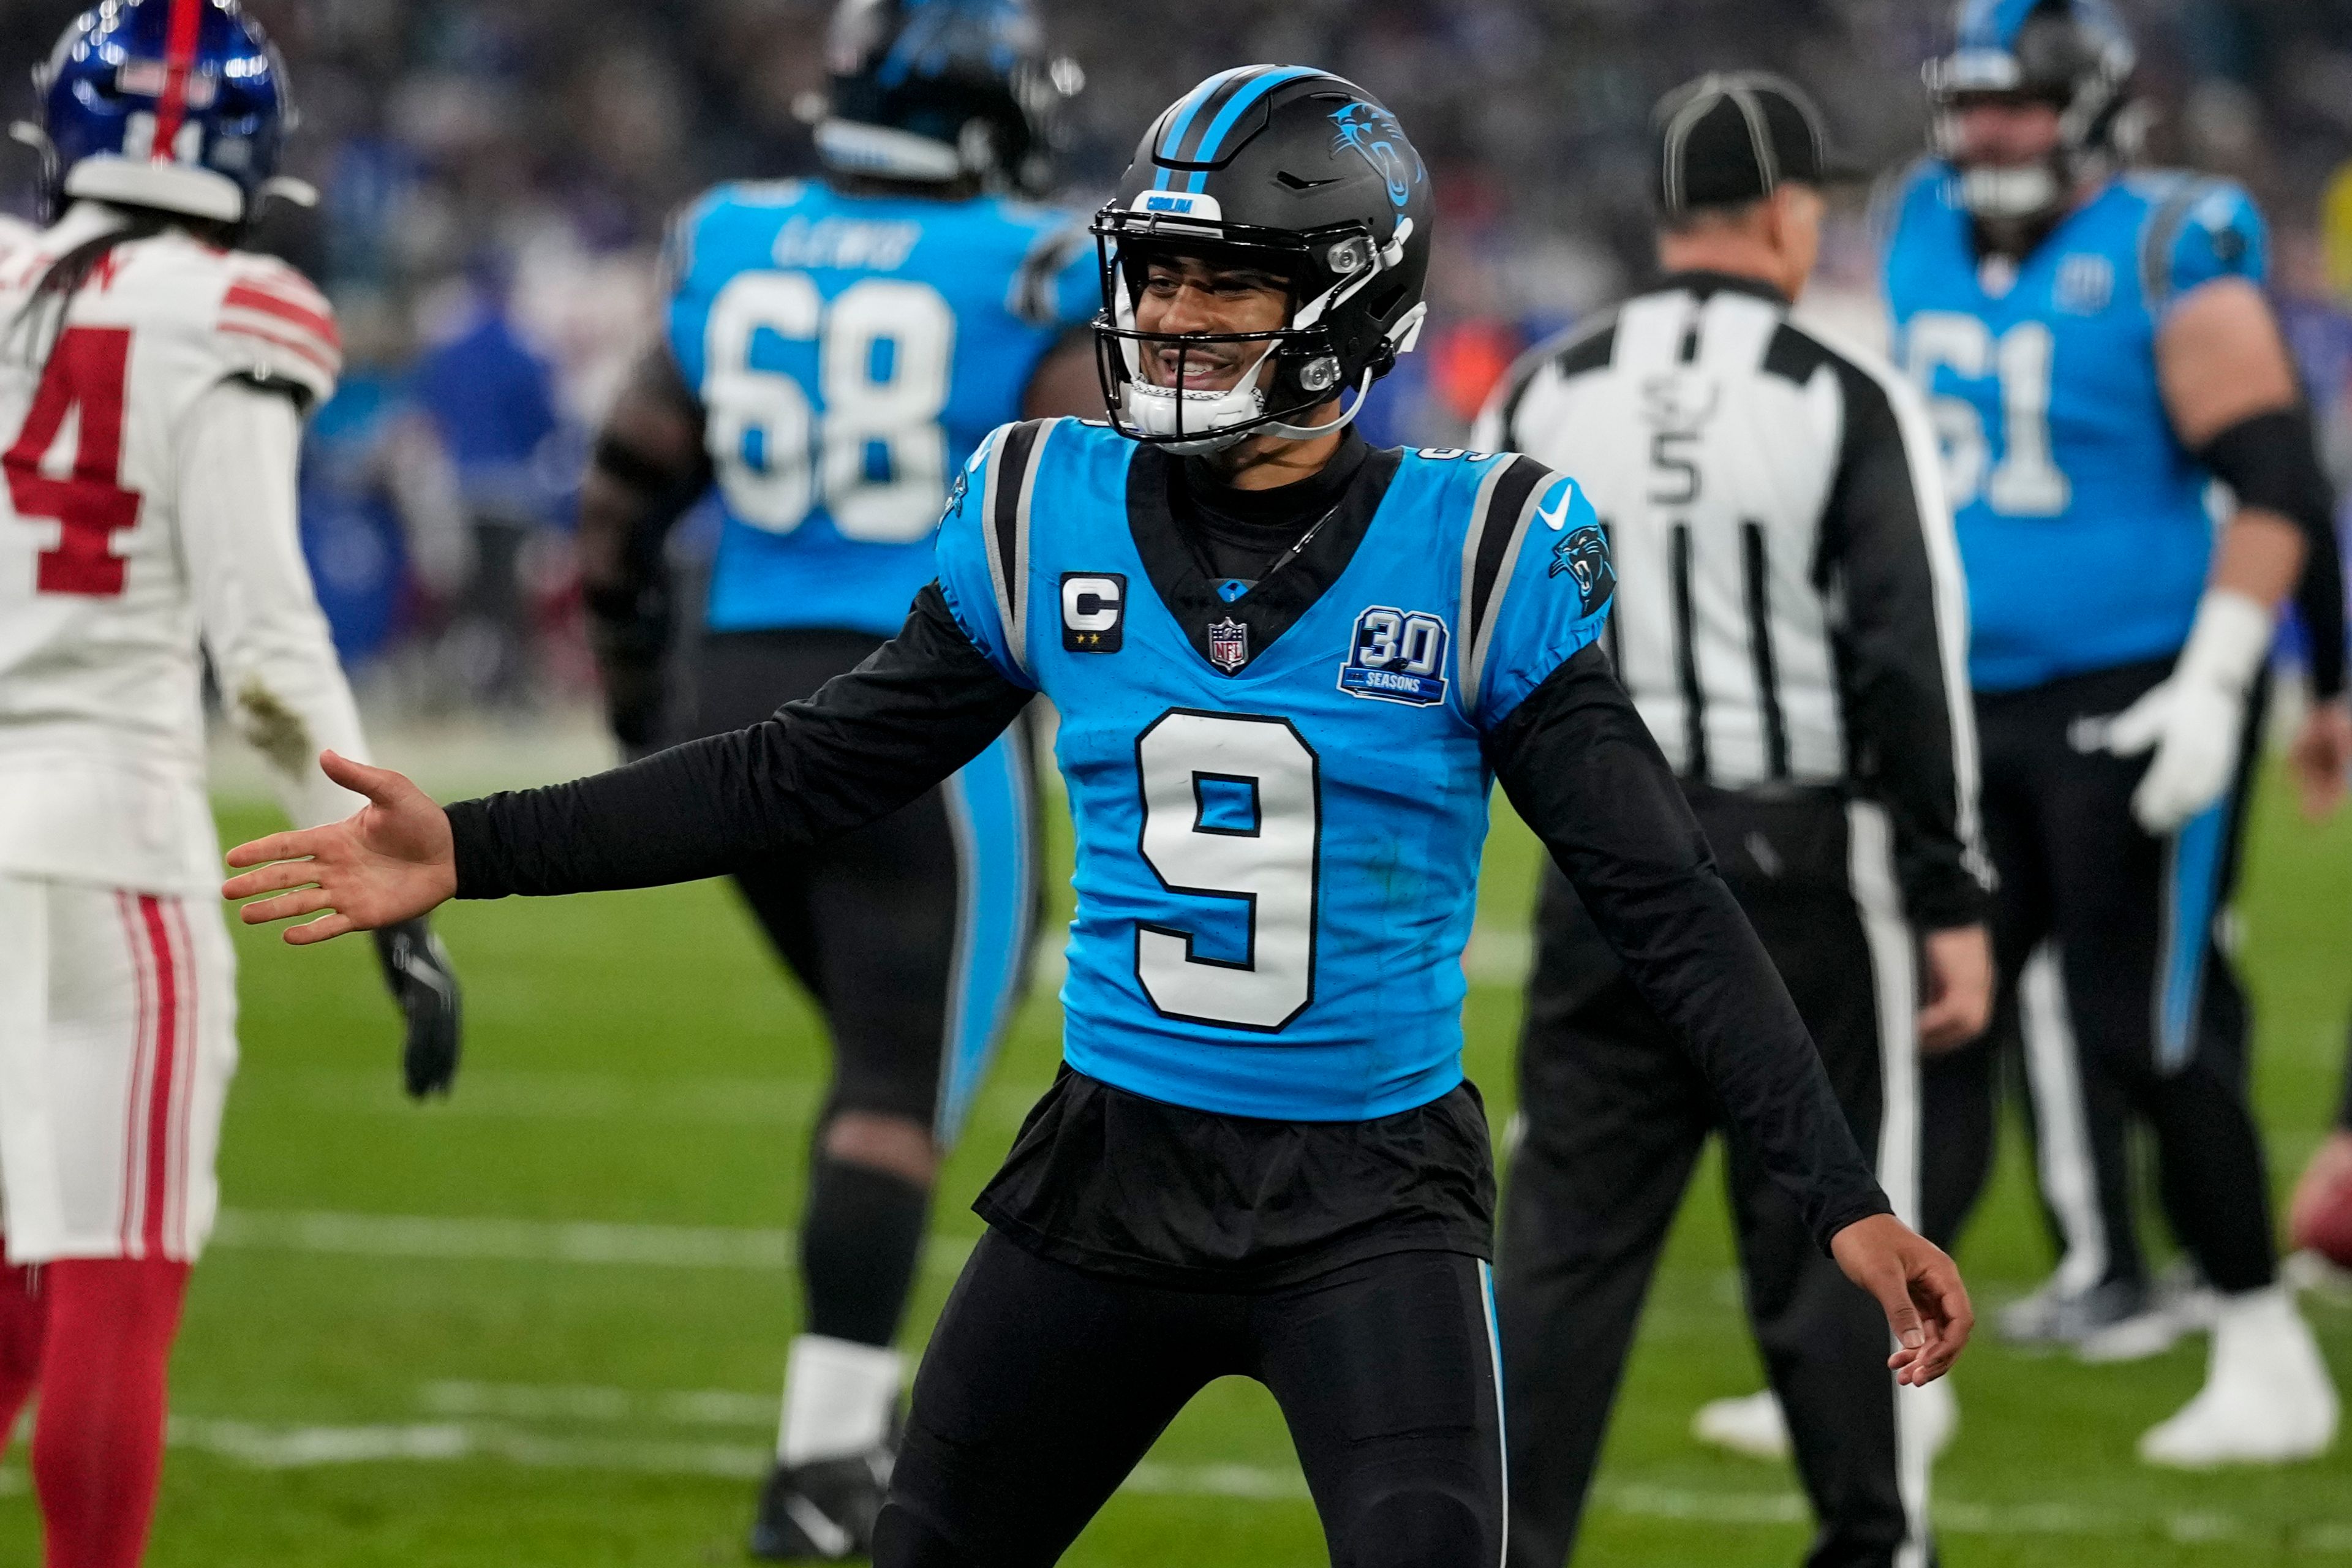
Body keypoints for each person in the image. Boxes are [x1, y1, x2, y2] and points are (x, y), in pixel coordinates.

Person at [225, 68, 1970, 1567]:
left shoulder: (1481, 547)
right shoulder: (1042, 503)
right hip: (1104, 1187)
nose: (1177, 316)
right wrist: (480, 845)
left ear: (1352, 304)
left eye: (1230, 281)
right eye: (1163, 274)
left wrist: (1840, 1191)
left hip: (1371, 1210)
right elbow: (802, 766)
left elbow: (1662, 895)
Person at [572, 0, 1098, 1553]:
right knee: (897, 1086)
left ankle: (834, 1439)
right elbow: (1084, 500)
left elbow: (621, 501)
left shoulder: (731, 233)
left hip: (733, 696)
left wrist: (635, 711)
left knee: (875, 1063)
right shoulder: (1032, 261)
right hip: (918, 705)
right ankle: (819, 1467)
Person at [1475, 73, 1989, 1568]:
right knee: (1824, 1231)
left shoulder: (1542, 384)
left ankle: (1508, 1537)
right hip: (1791, 861)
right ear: (1784, 213)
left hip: (1598, 860)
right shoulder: (1841, 387)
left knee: (1566, 1242)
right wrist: (1951, 891)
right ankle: (1869, 1538)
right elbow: (1908, 653)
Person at [0, 3, 461, 1565]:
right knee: (114, 1279)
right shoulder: (231, 308)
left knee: (3, 1272)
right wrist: (379, 850)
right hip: (107, 839)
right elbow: (263, 646)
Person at [1887, 0, 2345, 1464]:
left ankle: (2264, 1346)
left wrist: (2229, 680)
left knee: (2147, 1026)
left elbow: (2278, 476)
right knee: (1938, 1021)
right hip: (1968, 706)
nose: (1987, 134)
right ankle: (1897, 1351)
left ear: (2086, 108)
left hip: (2134, 696)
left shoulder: (2169, 239)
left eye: (2015, 105)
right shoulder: (1915, 222)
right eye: (1971, 105)